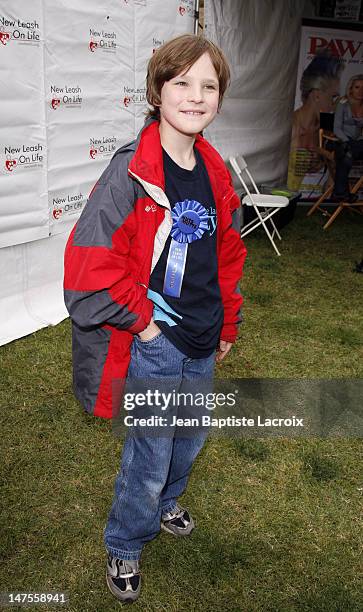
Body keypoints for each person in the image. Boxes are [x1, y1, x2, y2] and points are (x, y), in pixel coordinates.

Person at [63, 34, 246, 603]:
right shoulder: (131, 172)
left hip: (203, 336)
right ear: (157, 90)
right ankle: (125, 541)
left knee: (188, 440)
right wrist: (143, 325)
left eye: (208, 85)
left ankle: (167, 505)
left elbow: (229, 255)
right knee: (149, 452)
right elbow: (88, 267)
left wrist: (227, 326)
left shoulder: (215, 171)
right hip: (156, 341)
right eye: (182, 83)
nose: (196, 96)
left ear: (220, 96)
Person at [288, 51, 343, 191]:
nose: (335, 105)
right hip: (279, 199)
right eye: (333, 97)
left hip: (303, 199)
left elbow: (335, 170)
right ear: (317, 96)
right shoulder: (289, 126)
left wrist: (325, 157)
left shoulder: (324, 129)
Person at [331, 74, 363, 202]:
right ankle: (341, 193)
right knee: (346, 153)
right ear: (350, 89)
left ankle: (339, 193)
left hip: (359, 144)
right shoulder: (343, 104)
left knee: (347, 154)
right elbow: (337, 128)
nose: (361, 91)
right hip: (342, 141)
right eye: (357, 87)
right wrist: (348, 142)